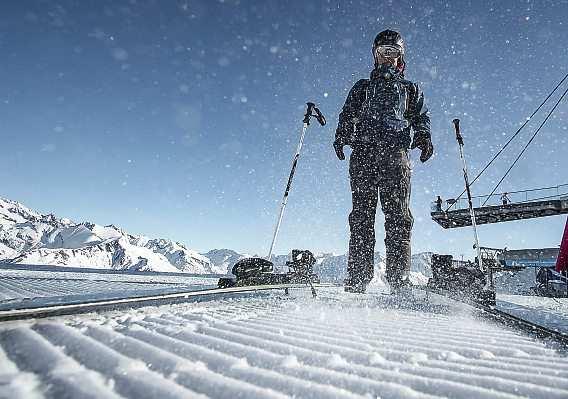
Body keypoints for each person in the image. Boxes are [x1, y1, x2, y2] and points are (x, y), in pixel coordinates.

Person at [334, 29, 433, 293]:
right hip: (364, 155)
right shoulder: (363, 87)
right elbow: (347, 114)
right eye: (383, 53)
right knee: (361, 217)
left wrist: (423, 136)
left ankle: (399, 281)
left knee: (399, 218)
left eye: (393, 53)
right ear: (375, 57)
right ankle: (357, 278)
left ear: (401, 58)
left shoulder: (410, 89)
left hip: (396, 157)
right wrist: (342, 133)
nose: (388, 58)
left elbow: (420, 117)